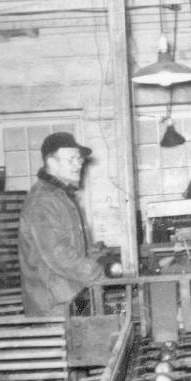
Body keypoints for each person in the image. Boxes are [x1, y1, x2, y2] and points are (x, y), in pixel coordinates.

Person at [18, 132, 122, 317]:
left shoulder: (63, 197)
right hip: (53, 306)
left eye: (79, 160)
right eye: (71, 159)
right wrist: (100, 273)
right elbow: (59, 255)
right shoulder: (43, 201)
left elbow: (81, 248)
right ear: (52, 163)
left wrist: (105, 259)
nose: (79, 164)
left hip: (70, 296)